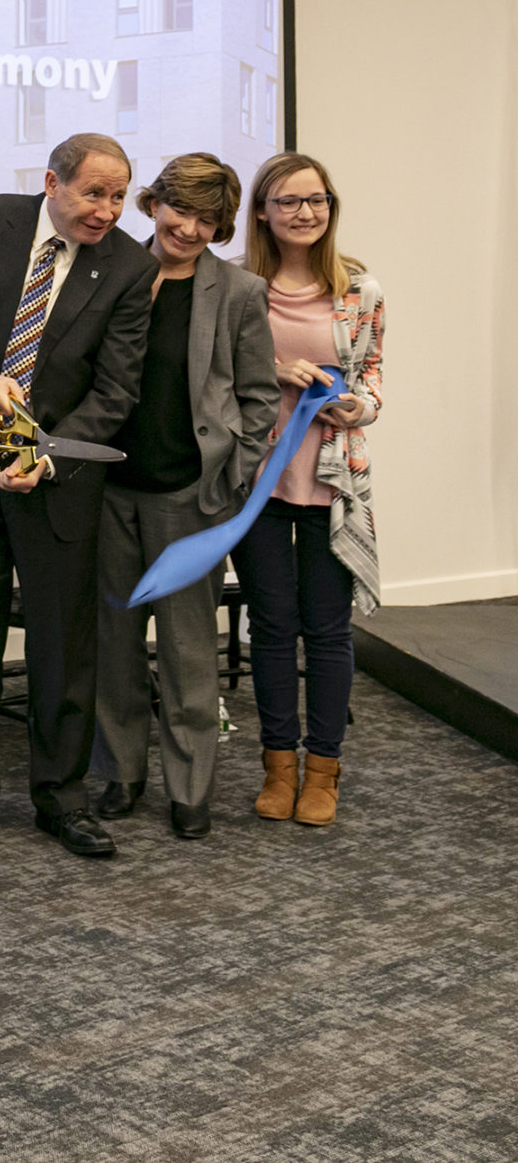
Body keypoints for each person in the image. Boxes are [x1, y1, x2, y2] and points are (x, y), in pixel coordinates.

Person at [0, 133, 155, 859]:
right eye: (94, 193)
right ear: (53, 182)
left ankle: (62, 798)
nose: (107, 210)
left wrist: (46, 460)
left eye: (117, 196)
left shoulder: (130, 268)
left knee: (63, 649)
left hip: (57, 483)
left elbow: (117, 390)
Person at [89, 154, 278, 839]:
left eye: (209, 220)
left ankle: (191, 789)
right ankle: (121, 776)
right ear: (153, 203)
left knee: (188, 652)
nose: (192, 229)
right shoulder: (107, 273)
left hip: (191, 500)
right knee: (113, 647)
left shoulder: (237, 293)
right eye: (181, 211)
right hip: (108, 494)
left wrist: (234, 473)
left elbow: (258, 398)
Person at [230, 152, 384, 827]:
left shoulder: (362, 289)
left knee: (325, 631)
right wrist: (273, 368)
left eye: (316, 199)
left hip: (333, 477)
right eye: (289, 201)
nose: (305, 212)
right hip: (257, 478)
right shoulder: (235, 287)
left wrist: (358, 407)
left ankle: (323, 770)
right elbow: (212, 373)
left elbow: (375, 378)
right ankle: (278, 767)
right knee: (270, 628)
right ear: (262, 210)